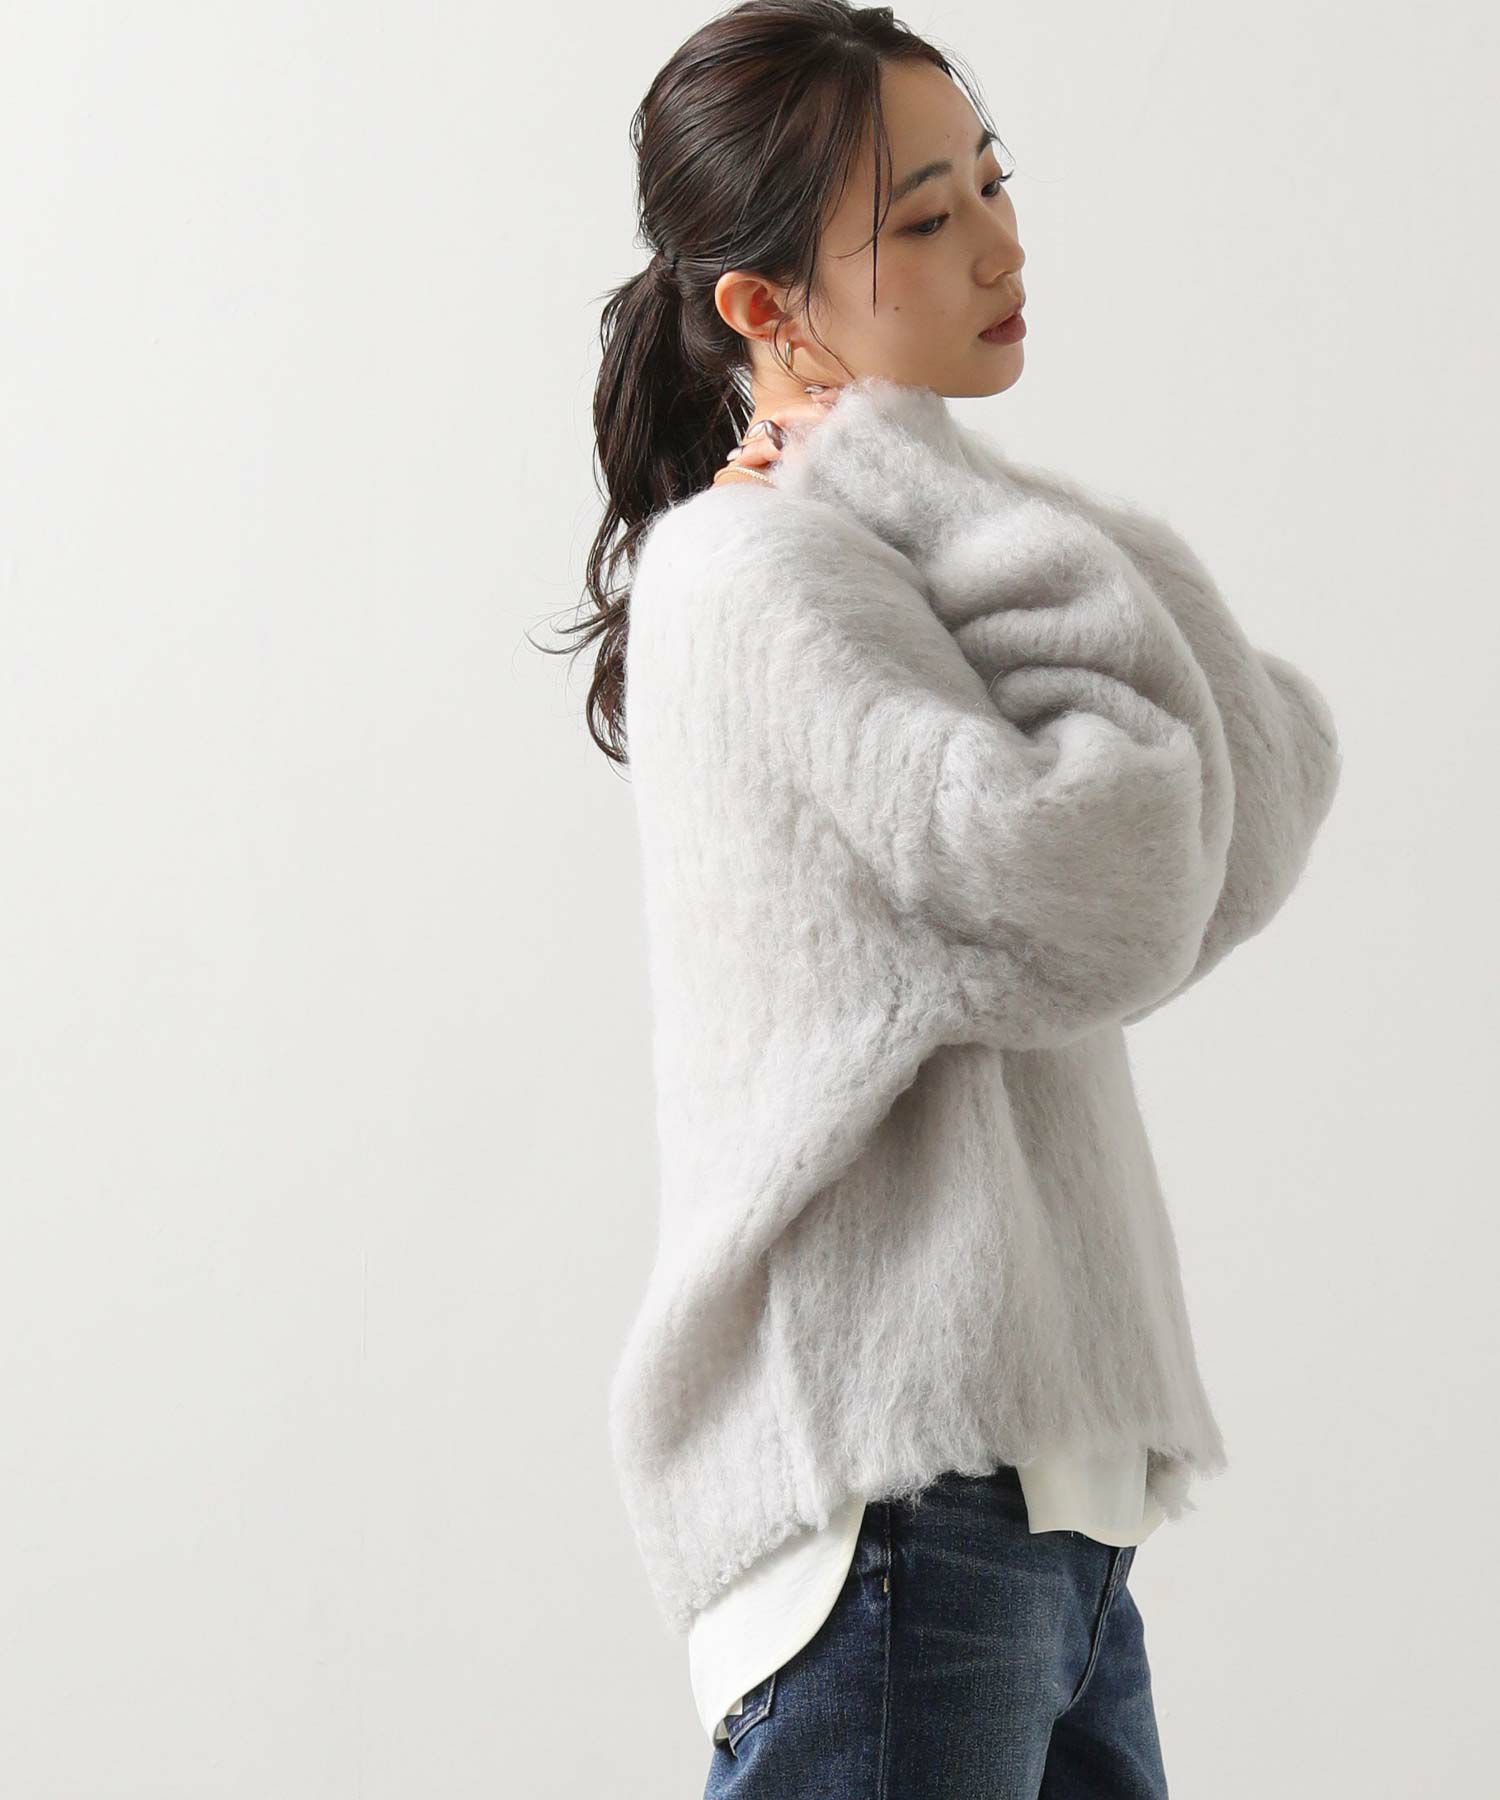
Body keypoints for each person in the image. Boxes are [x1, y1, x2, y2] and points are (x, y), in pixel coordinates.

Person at [552, 4, 1342, 1793]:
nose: (1000, 244)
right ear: (764, 307)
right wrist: (934, 488)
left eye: (992, 183)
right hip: (896, 1506)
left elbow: (1259, 788)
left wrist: (944, 486)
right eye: (924, 217)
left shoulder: (897, 539)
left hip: (1044, 1511)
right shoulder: (754, 569)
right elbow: (1123, 875)